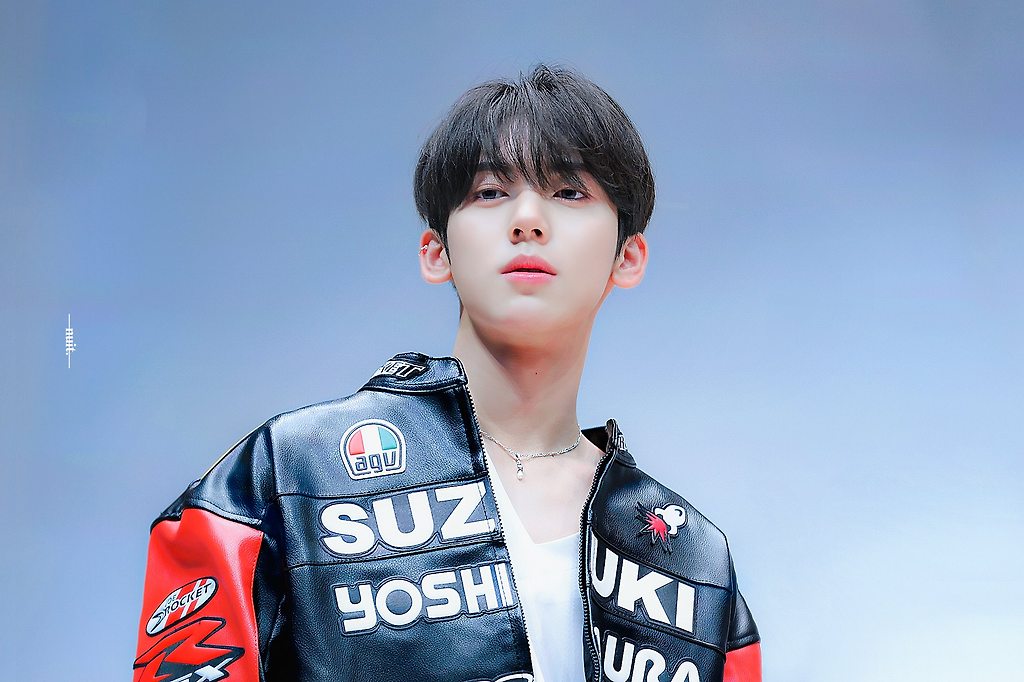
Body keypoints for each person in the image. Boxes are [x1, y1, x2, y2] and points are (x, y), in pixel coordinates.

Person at [133, 63, 761, 682]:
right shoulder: (288, 477)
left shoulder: (693, 559)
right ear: (437, 252)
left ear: (628, 256)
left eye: (570, 192)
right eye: (490, 192)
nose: (527, 219)